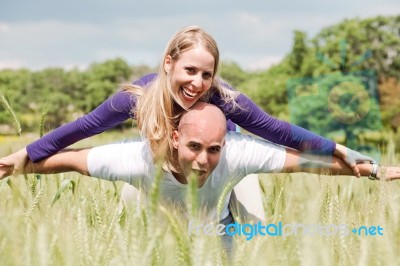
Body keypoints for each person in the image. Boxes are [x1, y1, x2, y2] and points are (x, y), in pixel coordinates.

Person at [0, 25, 374, 222]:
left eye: (206, 74)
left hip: (223, 172)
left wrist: (337, 149)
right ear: (168, 64)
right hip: (158, 173)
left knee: (257, 235)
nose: (197, 83)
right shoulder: (137, 96)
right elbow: (81, 129)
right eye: (189, 70)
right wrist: (24, 155)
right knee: (132, 230)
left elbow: (276, 130)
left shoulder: (223, 99)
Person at [3, 102, 399, 254]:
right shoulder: (134, 159)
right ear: (174, 138)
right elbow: (68, 159)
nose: (203, 160)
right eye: (194, 147)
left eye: (214, 149)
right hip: (156, 221)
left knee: (250, 244)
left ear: (226, 142)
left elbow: (311, 162)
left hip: (221, 219)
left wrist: (374, 171)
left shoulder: (240, 151)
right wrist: (13, 165)